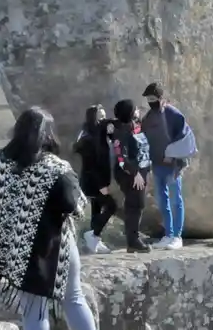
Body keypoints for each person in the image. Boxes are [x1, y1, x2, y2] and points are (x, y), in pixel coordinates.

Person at [0, 107, 109, 330]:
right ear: (48, 134)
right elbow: (76, 206)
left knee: (32, 310)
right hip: (56, 249)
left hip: (17, 250)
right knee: (74, 298)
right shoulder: (55, 168)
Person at [140, 82, 190, 249]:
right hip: (157, 165)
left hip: (174, 166)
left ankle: (177, 236)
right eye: (148, 99)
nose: (150, 101)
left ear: (161, 98)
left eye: (153, 98)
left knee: (176, 200)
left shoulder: (173, 114)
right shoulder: (148, 117)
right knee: (162, 201)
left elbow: (184, 138)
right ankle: (167, 235)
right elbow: (144, 139)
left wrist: (173, 156)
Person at [73, 105, 116, 255]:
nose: (104, 120)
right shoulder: (89, 138)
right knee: (111, 206)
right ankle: (92, 235)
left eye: (105, 117)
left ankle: (94, 241)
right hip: (93, 182)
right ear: (93, 118)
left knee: (96, 210)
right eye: (101, 117)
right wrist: (101, 185)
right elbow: (91, 165)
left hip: (98, 180)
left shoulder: (98, 134)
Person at [111, 99, 151, 254]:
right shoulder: (122, 131)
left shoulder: (131, 126)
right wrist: (135, 174)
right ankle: (133, 241)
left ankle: (133, 236)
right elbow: (121, 157)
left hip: (139, 172)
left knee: (137, 204)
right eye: (134, 110)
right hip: (130, 174)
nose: (137, 111)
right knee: (135, 205)